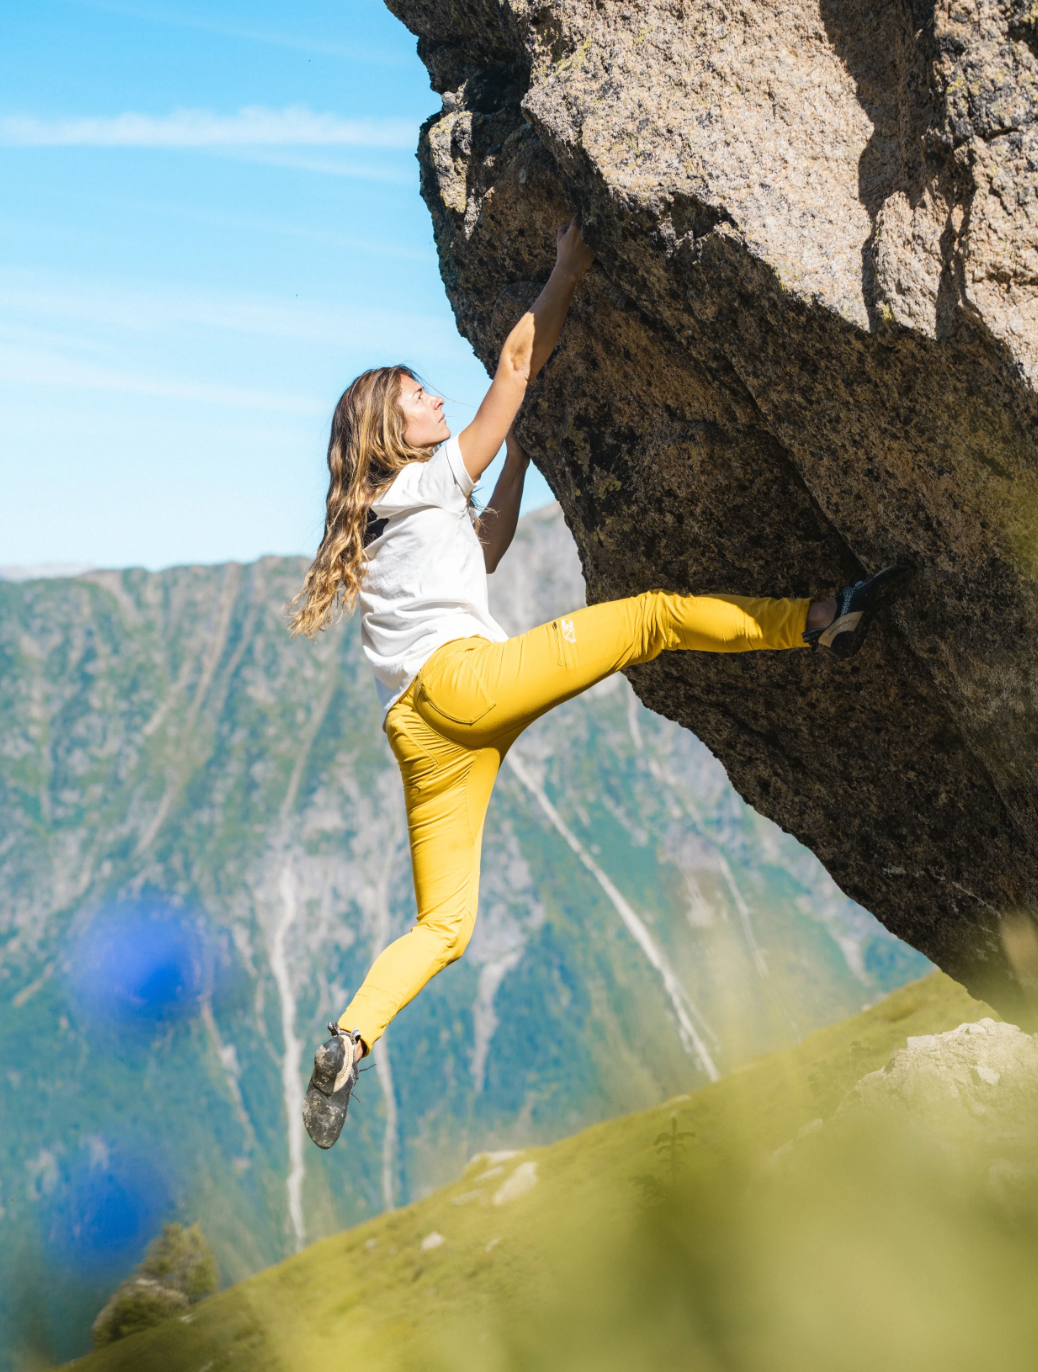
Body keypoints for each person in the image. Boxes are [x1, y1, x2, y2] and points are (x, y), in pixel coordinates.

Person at [290, 220, 906, 1150]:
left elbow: (483, 550)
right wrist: (564, 270)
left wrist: (526, 460)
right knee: (651, 615)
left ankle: (350, 1037)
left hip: (422, 730)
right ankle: (817, 622)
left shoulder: (389, 515)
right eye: (415, 396)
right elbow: (514, 370)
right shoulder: (420, 481)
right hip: (467, 687)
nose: (430, 396)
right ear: (392, 430)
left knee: (446, 926)